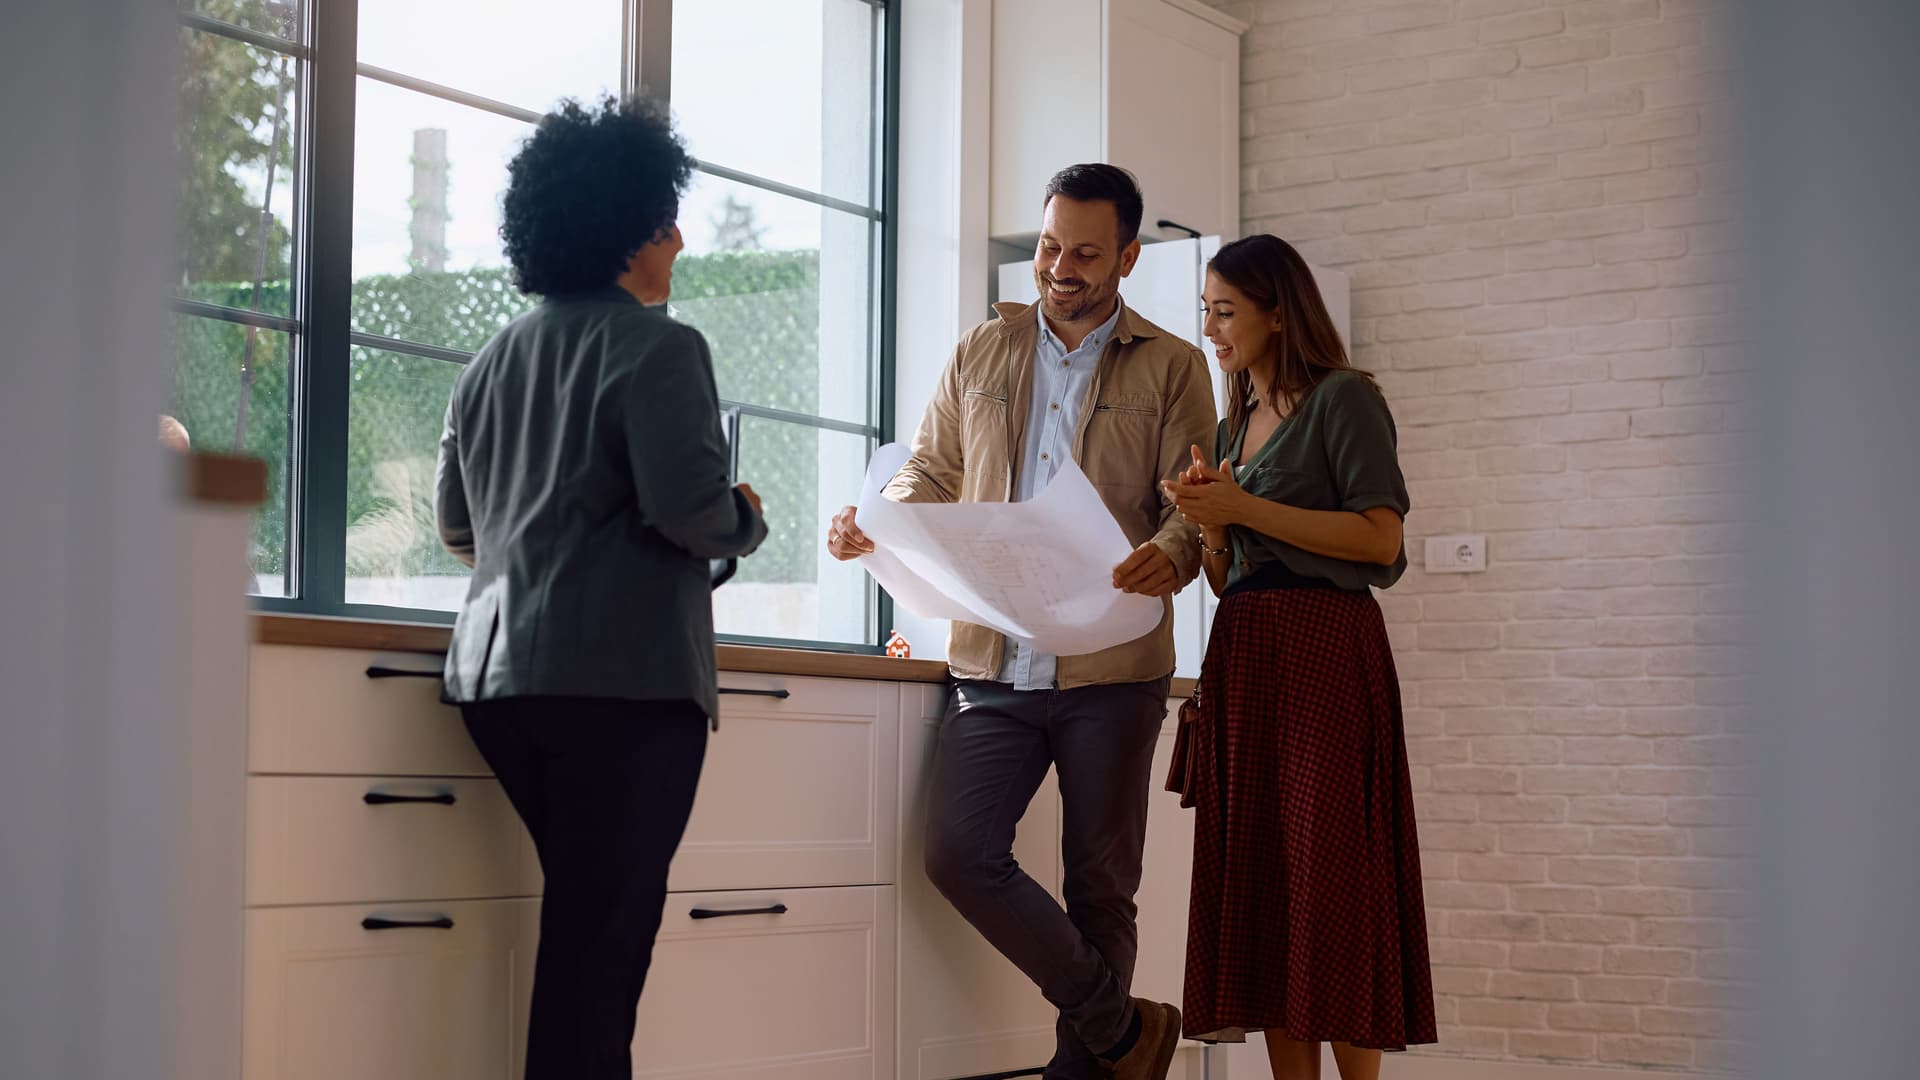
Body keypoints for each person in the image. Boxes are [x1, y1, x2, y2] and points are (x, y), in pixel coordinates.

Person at [827, 163, 1218, 1080]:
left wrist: (1177, 553)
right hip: (992, 663)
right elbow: (927, 471)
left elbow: (1197, 505)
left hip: (1114, 667)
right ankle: (1122, 1030)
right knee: (959, 854)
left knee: (1100, 890)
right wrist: (873, 516)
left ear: (1126, 256)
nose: (1060, 267)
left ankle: (1084, 1070)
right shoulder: (981, 351)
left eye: (1086, 252)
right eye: (1049, 245)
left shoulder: (1172, 365)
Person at [432, 96, 767, 1080]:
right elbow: (689, 509)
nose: (678, 239)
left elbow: (461, 528)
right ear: (629, 230)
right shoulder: (665, 348)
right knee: (602, 944)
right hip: (621, 689)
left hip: (496, 688)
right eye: (666, 220)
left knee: (586, 931)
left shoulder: (489, 359)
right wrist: (744, 515)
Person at [1162, 234, 1436, 1079]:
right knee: (1271, 888)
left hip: (1324, 651)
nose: (1210, 328)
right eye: (1204, 310)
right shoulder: (1230, 422)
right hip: (1245, 655)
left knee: (1332, 881)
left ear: (1278, 314)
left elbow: (1381, 539)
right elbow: (1225, 571)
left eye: (1224, 311)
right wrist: (1213, 522)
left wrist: (1244, 504)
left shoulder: (1344, 400)